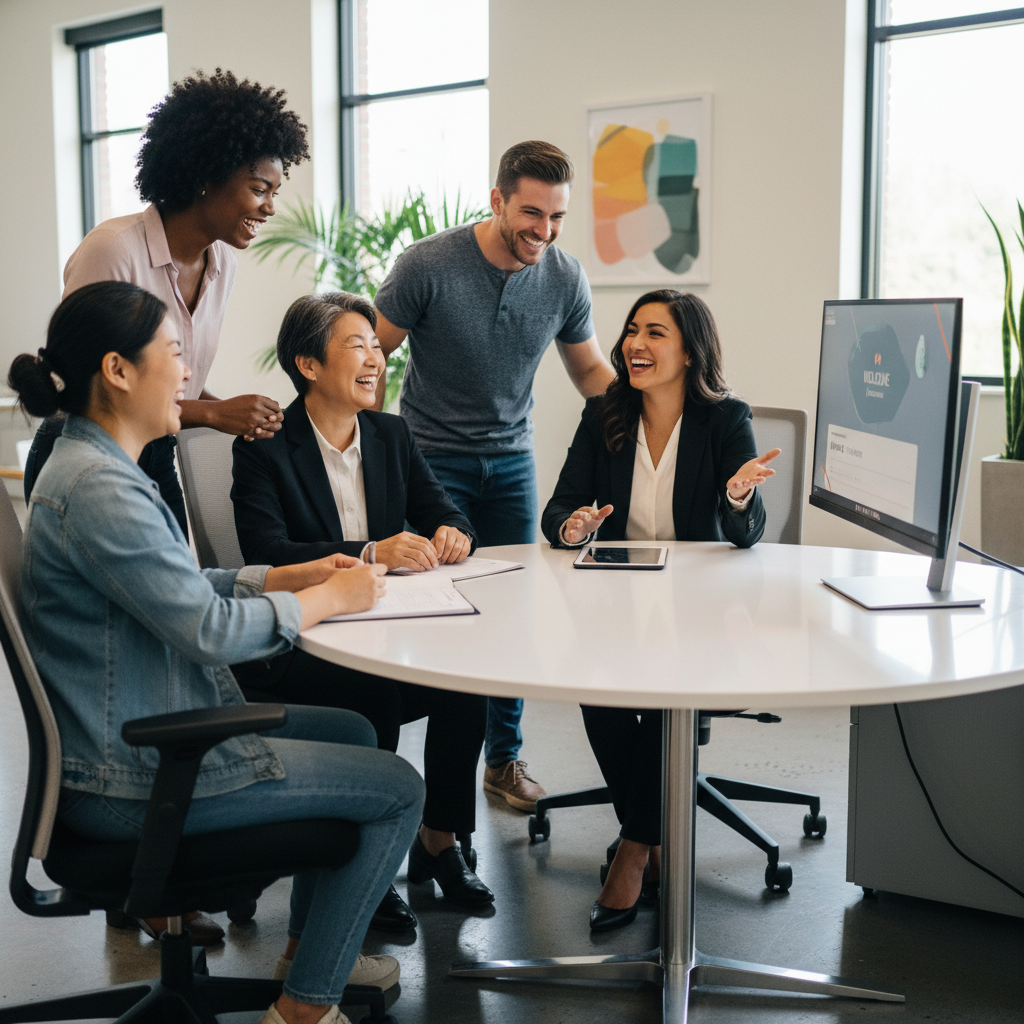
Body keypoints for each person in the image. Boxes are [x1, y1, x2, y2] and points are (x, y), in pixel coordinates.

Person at [8, 280, 425, 1024]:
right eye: (174, 353)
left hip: (131, 740)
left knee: (354, 729)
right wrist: (327, 600)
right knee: (398, 786)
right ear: (118, 370)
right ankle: (304, 1010)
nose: (188, 373)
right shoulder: (100, 489)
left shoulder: (95, 466)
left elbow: (176, 587)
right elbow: (209, 631)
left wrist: (287, 576)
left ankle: (305, 954)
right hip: (132, 776)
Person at [230, 291, 495, 929]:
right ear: (308, 365)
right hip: (302, 642)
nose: (376, 358)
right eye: (358, 346)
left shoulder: (390, 434)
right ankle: (364, 867)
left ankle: (439, 839)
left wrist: (453, 532)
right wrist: (371, 551)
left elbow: (444, 510)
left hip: (382, 628)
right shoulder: (264, 447)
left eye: (377, 345)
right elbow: (267, 554)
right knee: (371, 691)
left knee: (467, 681)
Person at [372, 140, 617, 812]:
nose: (545, 230)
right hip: (430, 462)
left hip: (511, 463)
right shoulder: (427, 264)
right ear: (498, 201)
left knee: (511, 616)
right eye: (532, 213)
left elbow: (589, 372)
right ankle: (410, 773)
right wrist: (372, 455)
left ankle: (502, 761)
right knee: (437, 613)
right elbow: (370, 357)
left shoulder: (564, 277)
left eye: (557, 216)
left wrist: (655, 414)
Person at [541, 289, 780, 932]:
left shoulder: (725, 419)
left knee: (668, 694)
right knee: (598, 690)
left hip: (701, 611)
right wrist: (573, 527)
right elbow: (557, 509)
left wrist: (738, 496)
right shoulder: (604, 413)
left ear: (690, 351)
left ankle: (634, 851)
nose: (635, 344)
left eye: (655, 333)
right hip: (618, 601)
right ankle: (651, 834)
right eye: (631, 331)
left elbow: (747, 535)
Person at [25, 67, 309, 540]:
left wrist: (232, 410)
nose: (270, 208)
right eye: (260, 189)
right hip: (88, 453)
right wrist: (214, 414)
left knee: (178, 577)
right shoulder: (115, 249)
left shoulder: (223, 264)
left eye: (274, 193)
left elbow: (173, 380)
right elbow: (89, 384)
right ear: (205, 177)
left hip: (157, 447)